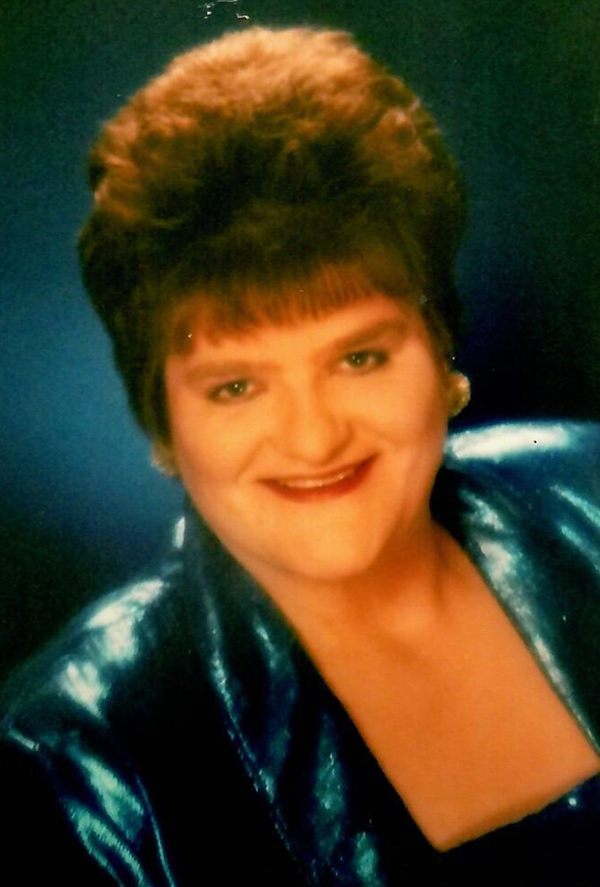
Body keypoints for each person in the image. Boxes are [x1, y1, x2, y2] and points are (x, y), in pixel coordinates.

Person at [2, 25, 600, 885]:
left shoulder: (588, 493)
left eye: (360, 357)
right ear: (161, 425)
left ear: (444, 357)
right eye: (236, 386)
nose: (314, 438)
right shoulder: (71, 767)